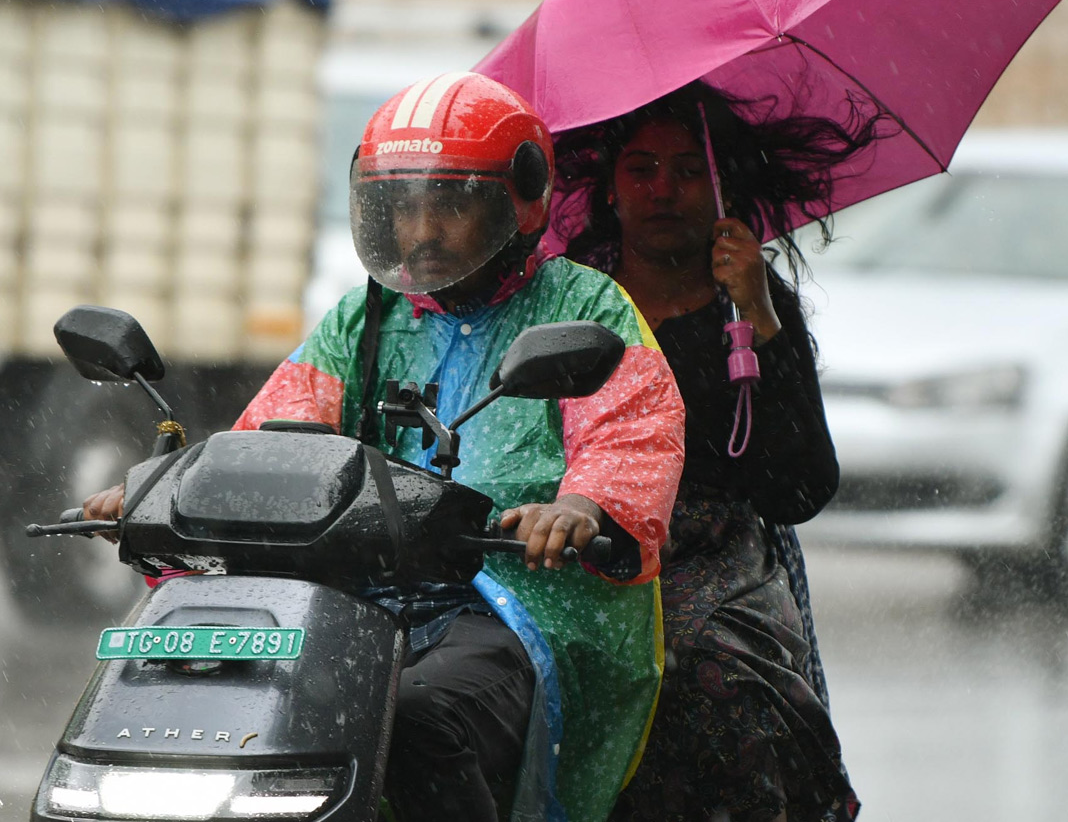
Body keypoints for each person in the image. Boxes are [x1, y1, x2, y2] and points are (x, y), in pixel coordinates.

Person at [85, 72, 686, 822]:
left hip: (514, 598)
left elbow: (630, 430)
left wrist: (579, 505)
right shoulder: (363, 316)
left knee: (416, 722)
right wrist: (169, 491)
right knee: (206, 704)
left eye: (450, 201)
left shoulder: (583, 305)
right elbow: (276, 433)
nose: (420, 228)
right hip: (355, 592)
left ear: (522, 201)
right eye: (400, 205)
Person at [552, 80, 886, 822]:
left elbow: (801, 489)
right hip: (596, 539)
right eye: (641, 169)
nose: (663, 190)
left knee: (717, 679)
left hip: (722, 553)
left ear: (721, 185)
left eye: (686, 169)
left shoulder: (753, 305)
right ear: (609, 188)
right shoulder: (574, 304)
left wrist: (764, 322)